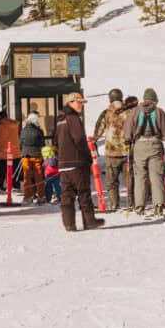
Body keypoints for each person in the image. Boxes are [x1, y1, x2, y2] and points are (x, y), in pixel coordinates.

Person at [54, 94, 103, 231]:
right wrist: (87, 157)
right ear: (70, 102)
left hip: (64, 164)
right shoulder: (73, 118)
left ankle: (69, 223)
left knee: (67, 195)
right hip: (77, 163)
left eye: (82, 102)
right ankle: (89, 221)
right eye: (78, 102)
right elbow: (80, 139)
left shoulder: (60, 119)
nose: (81, 105)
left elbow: (55, 141)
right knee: (84, 193)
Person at [123, 88, 165, 218]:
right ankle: (159, 206)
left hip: (139, 145)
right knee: (156, 177)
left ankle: (139, 206)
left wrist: (128, 140)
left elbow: (127, 131)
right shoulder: (159, 112)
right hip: (155, 145)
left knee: (140, 177)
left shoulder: (134, 112)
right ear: (154, 99)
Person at [93, 88, 130, 211]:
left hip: (111, 152)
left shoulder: (106, 113)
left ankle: (114, 204)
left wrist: (93, 140)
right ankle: (133, 204)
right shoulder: (129, 112)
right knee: (130, 180)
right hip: (127, 151)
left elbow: (98, 130)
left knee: (111, 182)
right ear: (121, 97)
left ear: (110, 98)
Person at [19, 112, 46, 203]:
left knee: (27, 177)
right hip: (37, 155)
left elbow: (21, 143)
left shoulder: (23, 131)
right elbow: (42, 143)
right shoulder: (39, 131)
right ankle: (41, 196)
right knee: (38, 176)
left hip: (25, 156)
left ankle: (28, 196)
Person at [0, 109, 21, 191]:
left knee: (1, 170)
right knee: (14, 170)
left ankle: (0, 185)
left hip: (3, 153)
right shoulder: (16, 124)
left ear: (0, 117)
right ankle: (15, 186)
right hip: (15, 152)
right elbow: (19, 135)